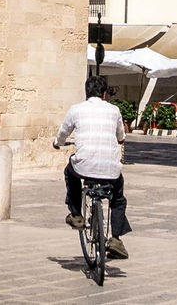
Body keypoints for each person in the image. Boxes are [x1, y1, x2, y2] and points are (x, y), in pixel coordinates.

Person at [54, 75, 131, 259]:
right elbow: (121, 135)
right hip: (111, 169)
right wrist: (120, 140)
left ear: (86, 92)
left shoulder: (76, 109)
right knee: (118, 198)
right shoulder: (114, 110)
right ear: (104, 94)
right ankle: (116, 238)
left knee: (70, 172)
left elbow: (63, 132)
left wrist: (58, 143)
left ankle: (76, 214)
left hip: (84, 166)